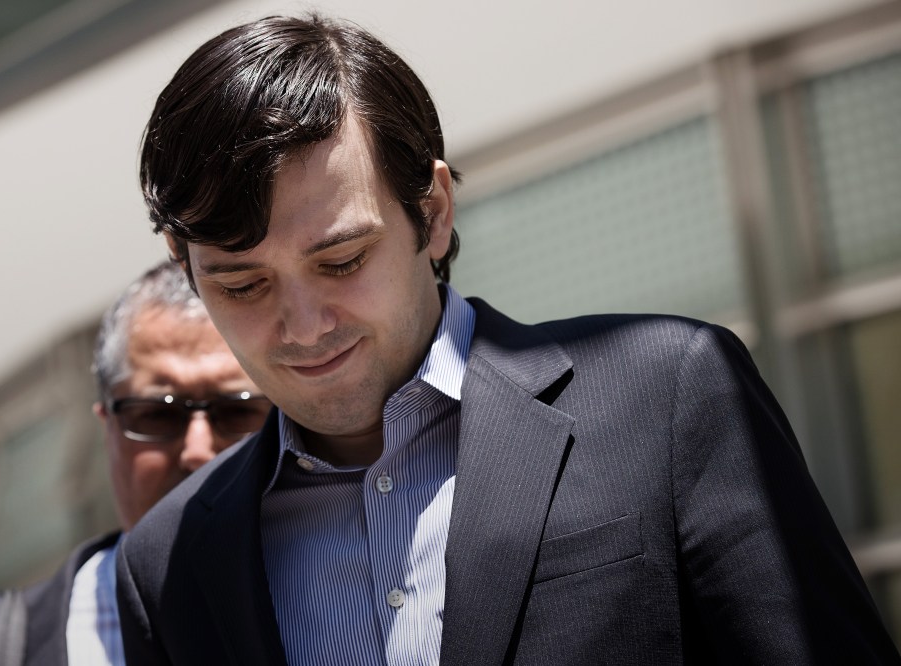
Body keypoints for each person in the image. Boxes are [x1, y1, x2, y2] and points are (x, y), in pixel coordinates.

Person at [116, 14, 901, 665]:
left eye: (342, 260)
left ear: (433, 213)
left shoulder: (669, 397)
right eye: (242, 285)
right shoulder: (167, 567)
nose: (304, 324)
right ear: (185, 268)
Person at [0, 261, 271, 665]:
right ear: (106, 428)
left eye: (237, 413)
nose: (197, 450)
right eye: (156, 415)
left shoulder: (343, 613)